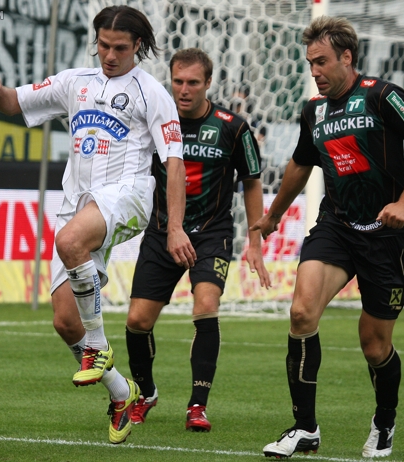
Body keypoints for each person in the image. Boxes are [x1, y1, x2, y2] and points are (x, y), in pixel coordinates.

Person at [0, 5, 196, 445]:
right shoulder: (74, 82)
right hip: (79, 202)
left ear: (137, 46)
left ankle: (97, 346)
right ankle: (121, 393)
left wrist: (175, 227)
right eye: (103, 46)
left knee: (69, 240)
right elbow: (13, 102)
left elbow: (174, 162)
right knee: (64, 321)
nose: (109, 55)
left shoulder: (152, 92)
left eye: (119, 47)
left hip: (129, 194)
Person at [251, 16, 404, 458]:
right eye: (309, 64)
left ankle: (384, 421)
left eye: (321, 62)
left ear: (346, 57)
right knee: (301, 312)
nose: (315, 72)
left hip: (387, 236)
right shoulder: (313, 111)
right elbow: (302, 162)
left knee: (374, 344)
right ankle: (305, 429)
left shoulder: (382, 96)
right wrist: (273, 216)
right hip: (336, 226)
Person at [125, 48, 271, 432]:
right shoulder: (155, 123)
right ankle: (145, 393)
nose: (184, 90)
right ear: (169, 80)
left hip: (211, 234)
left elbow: (252, 181)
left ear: (208, 83)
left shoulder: (232, 127)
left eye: (193, 82)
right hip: (161, 232)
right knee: (138, 320)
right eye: (178, 81)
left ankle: (197, 406)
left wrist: (254, 241)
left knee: (206, 304)